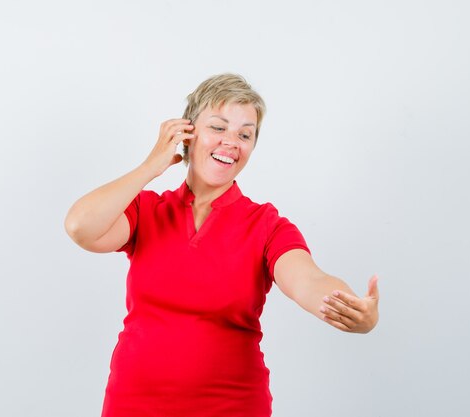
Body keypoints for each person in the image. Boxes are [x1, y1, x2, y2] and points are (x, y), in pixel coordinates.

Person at [64, 73, 380, 417]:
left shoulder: (266, 225)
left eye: (245, 134)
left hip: (232, 406)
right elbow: (81, 227)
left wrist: (349, 308)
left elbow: (308, 279)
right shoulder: (146, 211)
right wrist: (150, 167)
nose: (232, 141)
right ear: (188, 132)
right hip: (133, 404)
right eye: (218, 127)